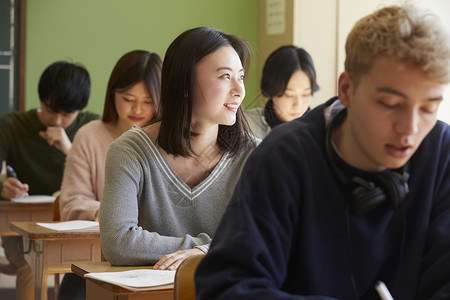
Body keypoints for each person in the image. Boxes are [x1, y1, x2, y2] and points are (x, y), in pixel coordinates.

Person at [196, 4, 450, 299]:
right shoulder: (283, 157)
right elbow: (226, 288)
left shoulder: (441, 154)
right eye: (390, 104)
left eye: (429, 108)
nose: (410, 129)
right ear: (346, 89)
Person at [99, 27, 258, 271]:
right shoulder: (129, 151)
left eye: (241, 77)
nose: (239, 90)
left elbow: (265, 239)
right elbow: (118, 242)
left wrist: (202, 252)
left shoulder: (256, 155)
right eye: (225, 76)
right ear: (184, 83)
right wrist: (207, 248)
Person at [56, 50, 162, 299]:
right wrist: (113, 215)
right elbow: (71, 203)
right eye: (128, 98)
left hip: (158, 260)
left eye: (148, 101)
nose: (137, 109)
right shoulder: (89, 135)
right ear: (112, 93)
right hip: (98, 259)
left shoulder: (170, 140)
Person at [0, 61, 99, 300]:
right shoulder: (12, 126)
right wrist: (3, 186)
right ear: (41, 100)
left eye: (66, 114)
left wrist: (70, 149)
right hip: (22, 231)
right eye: (50, 109)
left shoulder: (91, 127)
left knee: (98, 263)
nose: (56, 120)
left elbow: (106, 183)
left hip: (79, 228)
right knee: (31, 260)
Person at [245, 45, 319, 139]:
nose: (298, 105)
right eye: (289, 95)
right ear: (271, 89)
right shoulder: (246, 126)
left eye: (305, 94)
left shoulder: (322, 130)